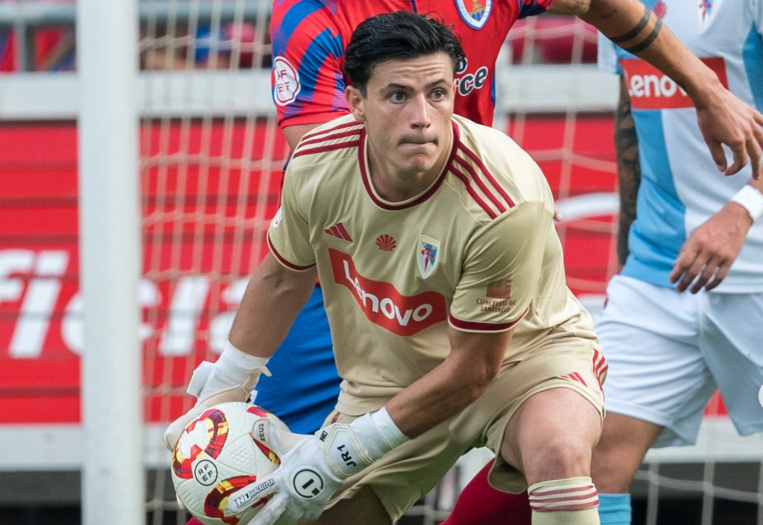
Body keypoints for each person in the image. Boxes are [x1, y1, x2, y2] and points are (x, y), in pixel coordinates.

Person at [174, 1, 763, 524]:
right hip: (398, 354)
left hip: (522, 355)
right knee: (308, 510)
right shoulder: (316, 144)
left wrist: (338, 455)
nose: (424, 117)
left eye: (438, 93)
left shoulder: (507, 200)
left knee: (560, 450)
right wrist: (225, 384)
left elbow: (474, 372)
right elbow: (284, 270)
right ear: (355, 102)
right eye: (398, 96)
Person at [589, 2, 763, 524]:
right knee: (586, 452)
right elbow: (631, 132)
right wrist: (627, 263)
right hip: (661, 271)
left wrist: (744, 208)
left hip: (756, 261)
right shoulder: (614, 4)